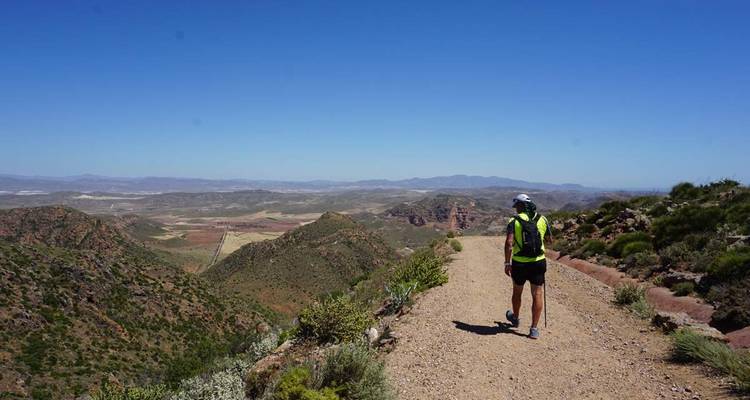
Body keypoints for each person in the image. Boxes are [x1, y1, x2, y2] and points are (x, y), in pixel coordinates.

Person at [503, 194, 552, 339]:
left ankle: (515, 318)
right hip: (538, 262)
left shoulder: (514, 220)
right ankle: (534, 329)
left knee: (517, 291)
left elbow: (509, 243)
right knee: (537, 294)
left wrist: (507, 263)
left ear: (520, 206)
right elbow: (549, 240)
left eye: (517, 206)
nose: (516, 209)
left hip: (520, 262)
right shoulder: (542, 219)